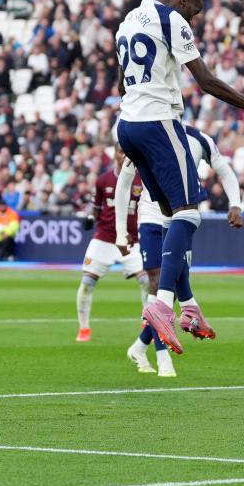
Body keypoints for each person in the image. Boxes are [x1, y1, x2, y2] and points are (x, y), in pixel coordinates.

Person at [114, 0, 244, 354]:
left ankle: (189, 305)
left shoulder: (128, 20)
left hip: (127, 126)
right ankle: (162, 305)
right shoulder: (171, 18)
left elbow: (122, 84)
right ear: (184, 0)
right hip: (158, 122)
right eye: (194, 11)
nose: (193, 18)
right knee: (189, 213)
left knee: (171, 215)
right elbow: (206, 81)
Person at [115, 125, 244, 377]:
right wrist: (121, 230)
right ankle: (163, 358)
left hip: (182, 219)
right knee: (157, 282)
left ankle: (140, 346)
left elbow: (225, 171)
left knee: (171, 285)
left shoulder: (199, 139)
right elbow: (124, 181)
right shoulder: (147, 132)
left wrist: (236, 204)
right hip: (152, 218)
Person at [75, 144, 148, 343]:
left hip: (131, 240)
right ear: (115, 154)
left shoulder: (142, 180)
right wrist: (90, 218)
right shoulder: (103, 180)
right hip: (104, 238)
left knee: (147, 282)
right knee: (87, 283)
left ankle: (147, 323)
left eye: (127, 152)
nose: (124, 155)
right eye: (120, 151)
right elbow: (96, 208)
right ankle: (84, 328)